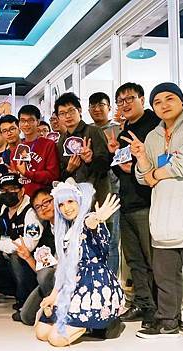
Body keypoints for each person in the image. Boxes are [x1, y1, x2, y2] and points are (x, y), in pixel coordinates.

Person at [126, 83, 183, 351]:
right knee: (165, 278)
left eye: (169, 98)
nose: (163, 105)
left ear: (181, 100)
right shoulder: (153, 136)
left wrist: (155, 173)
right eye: (157, 102)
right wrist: (142, 158)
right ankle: (168, 322)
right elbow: (142, 177)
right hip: (163, 219)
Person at [35, 180, 124, 347]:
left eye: (70, 201)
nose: (66, 208)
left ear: (80, 201)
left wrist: (97, 218)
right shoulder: (65, 230)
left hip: (93, 285)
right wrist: (53, 295)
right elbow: (63, 267)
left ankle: (100, 322)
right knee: (41, 333)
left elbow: (91, 223)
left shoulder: (86, 220)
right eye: (61, 204)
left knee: (56, 339)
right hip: (72, 283)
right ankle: (87, 324)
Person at [110, 82, 160, 327]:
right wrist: (115, 156)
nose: (125, 104)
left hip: (148, 202)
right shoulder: (123, 131)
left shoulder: (155, 125)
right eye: (120, 101)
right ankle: (143, 304)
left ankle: (160, 309)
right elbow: (121, 171)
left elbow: (159, 161)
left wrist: (136, 168)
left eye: (130, 98)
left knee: (154, 260)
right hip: (127, 202)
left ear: (142, 99)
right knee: (134, 260)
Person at [0, 174, 42, 311]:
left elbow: (28, 244)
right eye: (3, 190)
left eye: (12, 189)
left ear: (22, 190)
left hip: (31, 263)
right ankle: (17, 292)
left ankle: (26, 300)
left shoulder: (31, 211)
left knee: (17, 256)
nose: (7, 193)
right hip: (5, 260)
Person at [55, 92, 110, 205]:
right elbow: (60, 174)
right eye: (62, 113)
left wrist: (90, 160)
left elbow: (105, 165)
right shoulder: (61, 140)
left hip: (97, 197)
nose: (67, 116)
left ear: (79, 110)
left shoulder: (94, 131)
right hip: (74, 201)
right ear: (58, 117)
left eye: (71, 111)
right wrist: (69, 170)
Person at [88, 92, 122, 275]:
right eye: (93, 106)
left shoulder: (118, 129)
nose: (97, 109)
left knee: (111, 239)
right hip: (92, 192)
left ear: (109, 107)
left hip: (114, 190)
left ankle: (112, 280)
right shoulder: (87, 131)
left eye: (101, 105)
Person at [16, 189, 57, 325]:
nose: (43, 208)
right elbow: (40, 271)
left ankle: (62, 311)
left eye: (47, 202)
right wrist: (28, 257)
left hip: (72, 281)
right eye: (38, 207)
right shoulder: (44, 236)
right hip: (52, 284)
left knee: (46, 274)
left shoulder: (70, 224)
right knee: (27, 317)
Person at [15, 105, 60, 198]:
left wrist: (27, 173)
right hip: (22, 200)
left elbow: (53, 175)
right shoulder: (16, 149)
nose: (26, 124)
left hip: (42, 198)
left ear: (38, 122)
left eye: (31, 120)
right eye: (22, 121)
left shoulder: (48, 144)